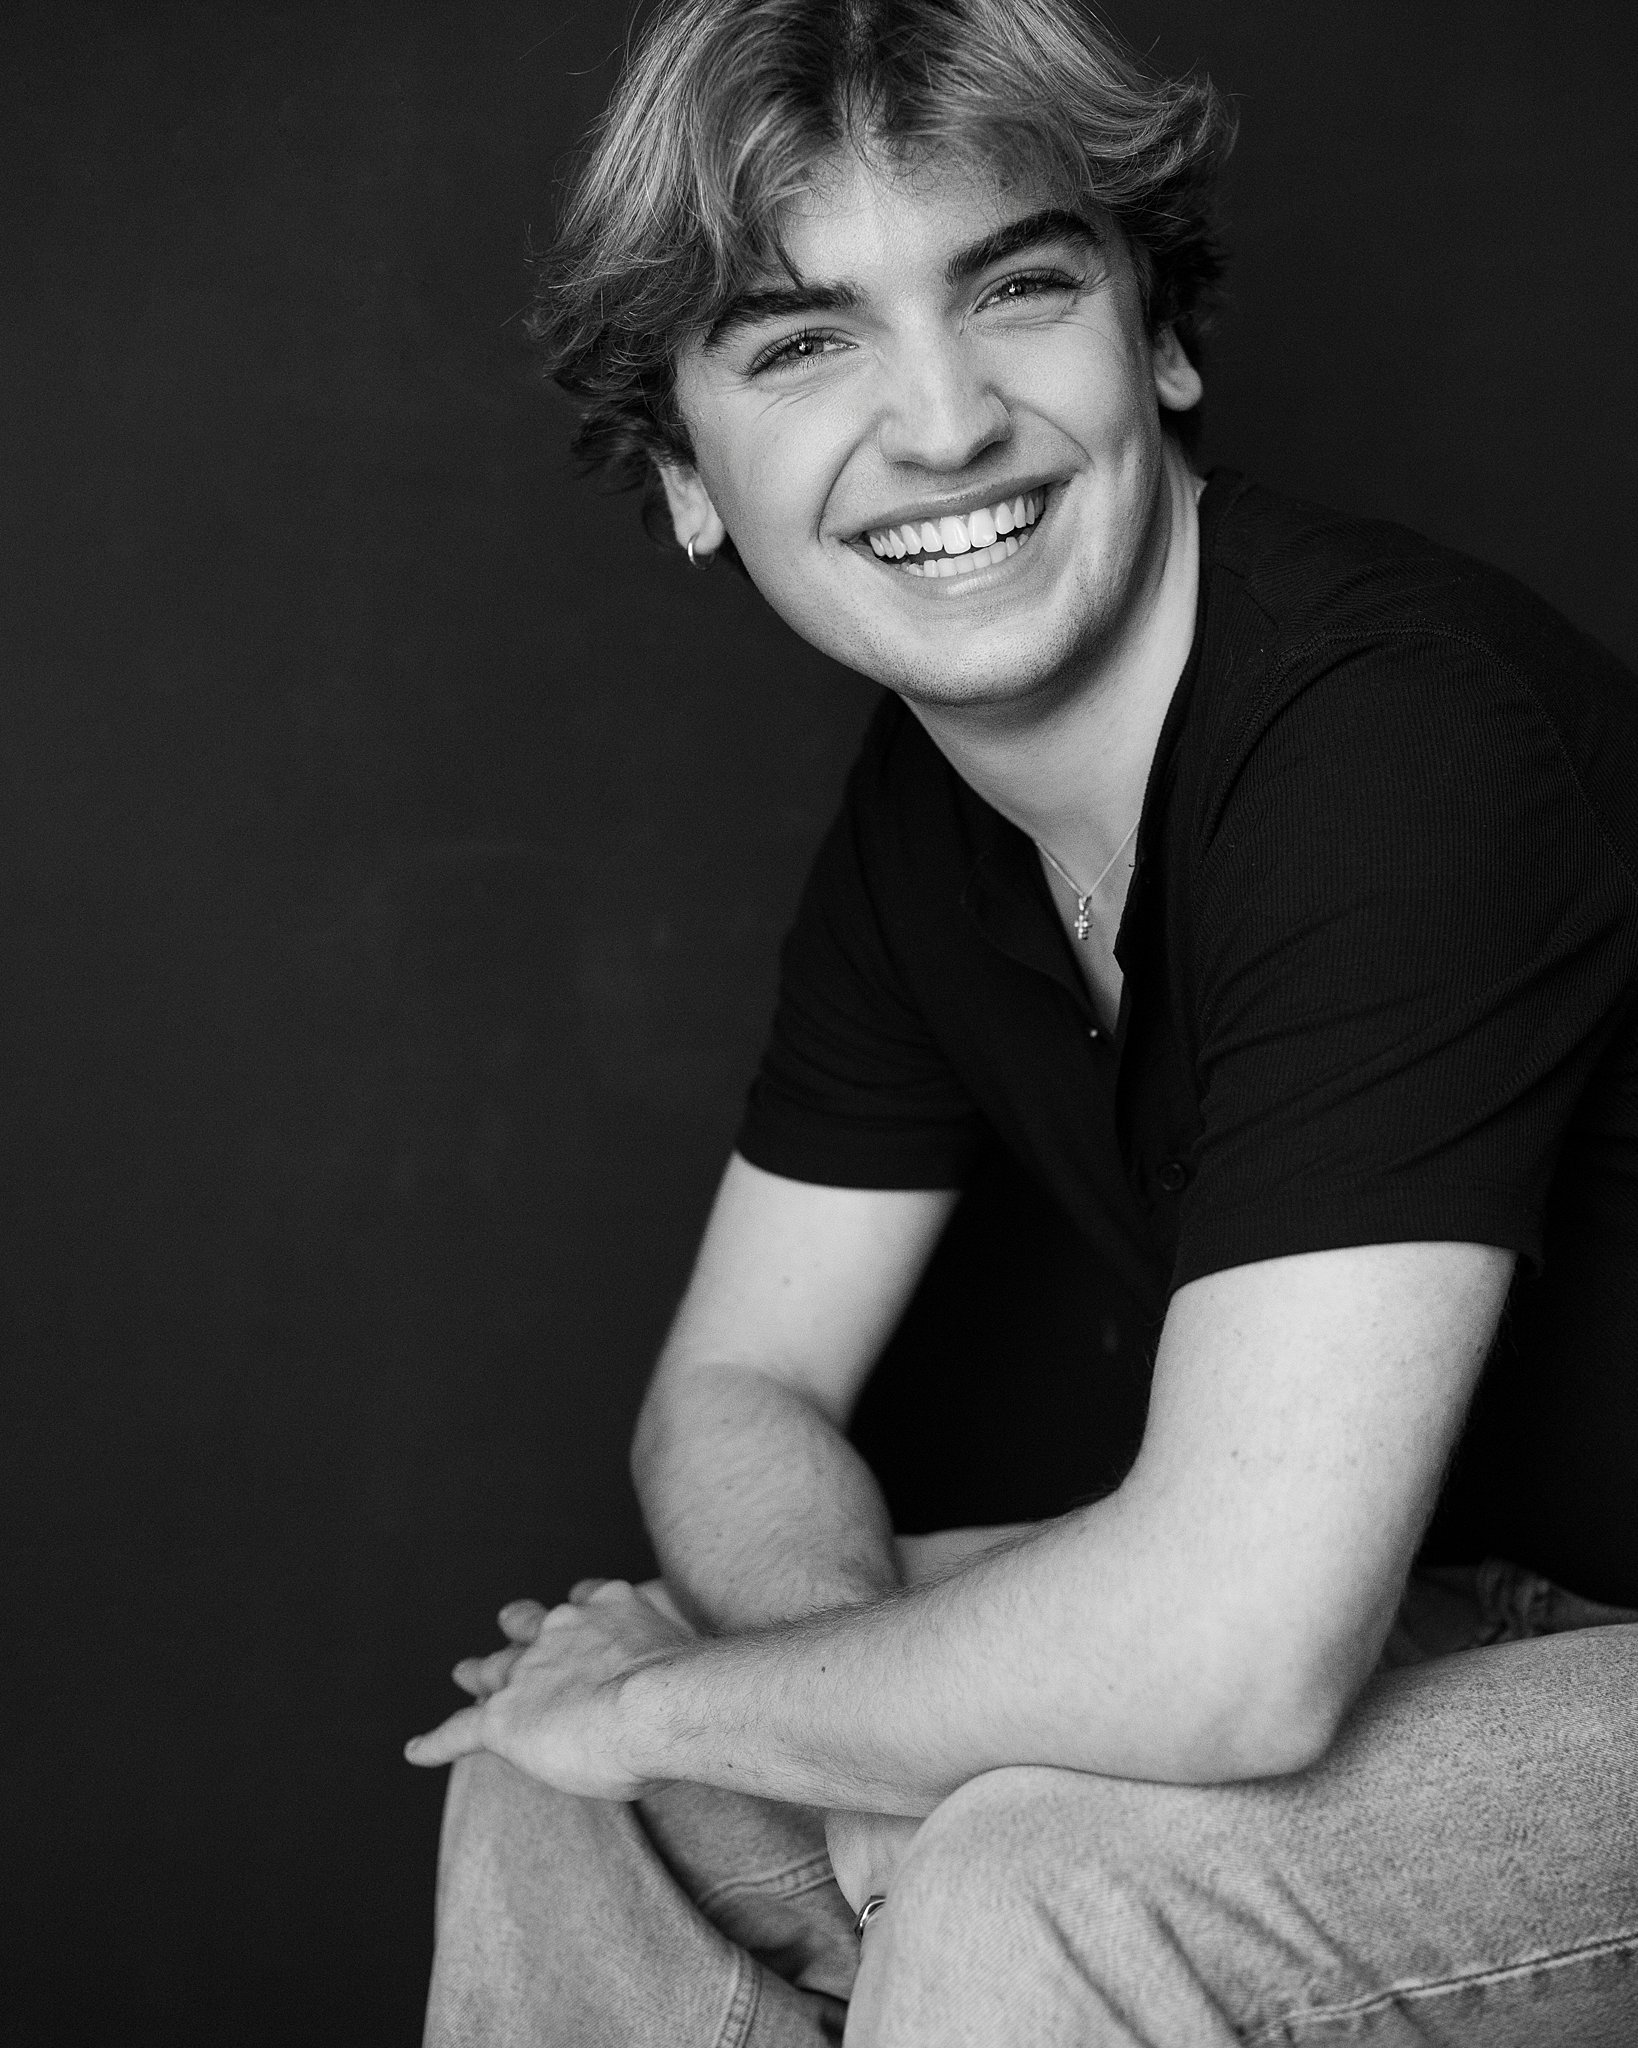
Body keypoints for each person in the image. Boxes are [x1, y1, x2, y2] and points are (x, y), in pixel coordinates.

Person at [406, 0, 1638, 2038]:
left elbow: (1238, 1647)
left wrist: (675, 1704)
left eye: (1017, 291)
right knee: (584, 1788)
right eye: (802, 343)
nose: (944, 420)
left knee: (1028, 1875)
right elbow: (735, 1388)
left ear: (1156, 337)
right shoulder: (927, 822)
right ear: (686, 474)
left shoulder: (1395, 739)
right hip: (1491, 1611)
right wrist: (826, 1726)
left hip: (1529, 1655)